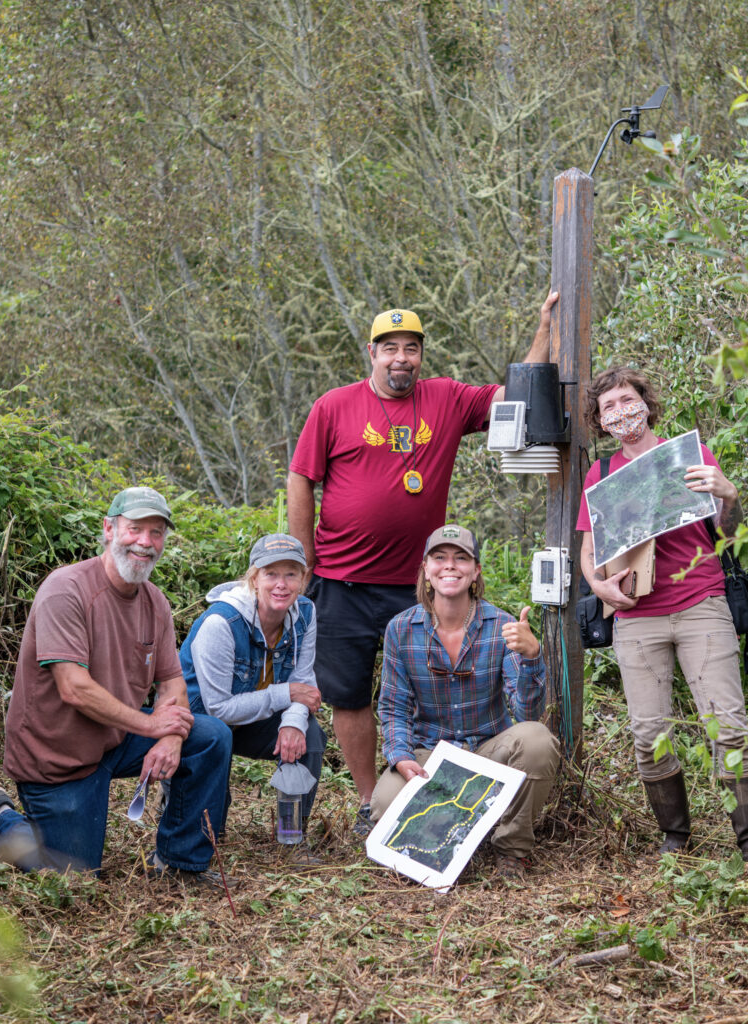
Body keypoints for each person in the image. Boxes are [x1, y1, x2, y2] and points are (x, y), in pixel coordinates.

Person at [287, 294, 559, 832]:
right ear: (372, 352)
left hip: (417, 586)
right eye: (390, 348)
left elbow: (517, 393)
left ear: (421, 356)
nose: (401, 358)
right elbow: (301, 477)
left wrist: (545, 328)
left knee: (427, 686)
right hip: (341, 580)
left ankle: (459, 788)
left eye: (411, 348)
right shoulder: (334, 405)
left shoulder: (446, 399)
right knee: (348, 695)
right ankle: (372, 802)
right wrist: (305, 563)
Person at [576, 366, 748, 861]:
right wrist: (598, 585)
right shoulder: (600, 477)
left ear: (645, 401)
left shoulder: (692, 456)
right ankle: (676, 837)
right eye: (608, 407)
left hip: (702, 603)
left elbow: (727, 536)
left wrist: (728, 494)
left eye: (626, 399)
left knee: (727, 725)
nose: (620, 412)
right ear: (600, 421)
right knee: (647, 732)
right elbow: (590, 548)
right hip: (637, 616)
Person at [0, 487, 233, 883]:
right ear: (109, 529)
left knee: (210, 737)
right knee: (75, 879)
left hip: (116, 738)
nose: (145, 542)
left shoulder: (155, 602)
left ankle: (179, 863)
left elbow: (173, 682)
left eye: (156, 533)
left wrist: (171, 737)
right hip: (59, 757)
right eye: (135, 529)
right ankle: (1, 818)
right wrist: (152, 726)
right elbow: (74, 688)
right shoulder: (66, 589)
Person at [371, 524, 560, 876]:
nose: (450, 566)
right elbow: (393, 707)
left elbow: (527, 713)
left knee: (537, 740)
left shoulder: (502, 625)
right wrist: (399, 757)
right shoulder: (401, 628)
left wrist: (533, 657)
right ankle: (461, 829)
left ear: (475, 572)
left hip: (489, 751)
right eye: (439, 558)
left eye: (461, 558)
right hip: (431, 753)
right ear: (426, 570)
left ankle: (511, 848)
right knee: (384, 806)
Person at [179, 534, 326, 863]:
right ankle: (181, 794)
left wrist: (291, 723)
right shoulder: (221, 623)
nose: (281, 584)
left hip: (254, 714)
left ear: (304, 579)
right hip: (203, 722)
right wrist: (286, 694)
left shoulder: (305, 613)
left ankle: (291, 837)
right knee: (211, 831)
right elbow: (218, 708)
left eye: (291, 574)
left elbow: (302, 679)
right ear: (253, 578)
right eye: (271, 573)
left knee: (310, 735)